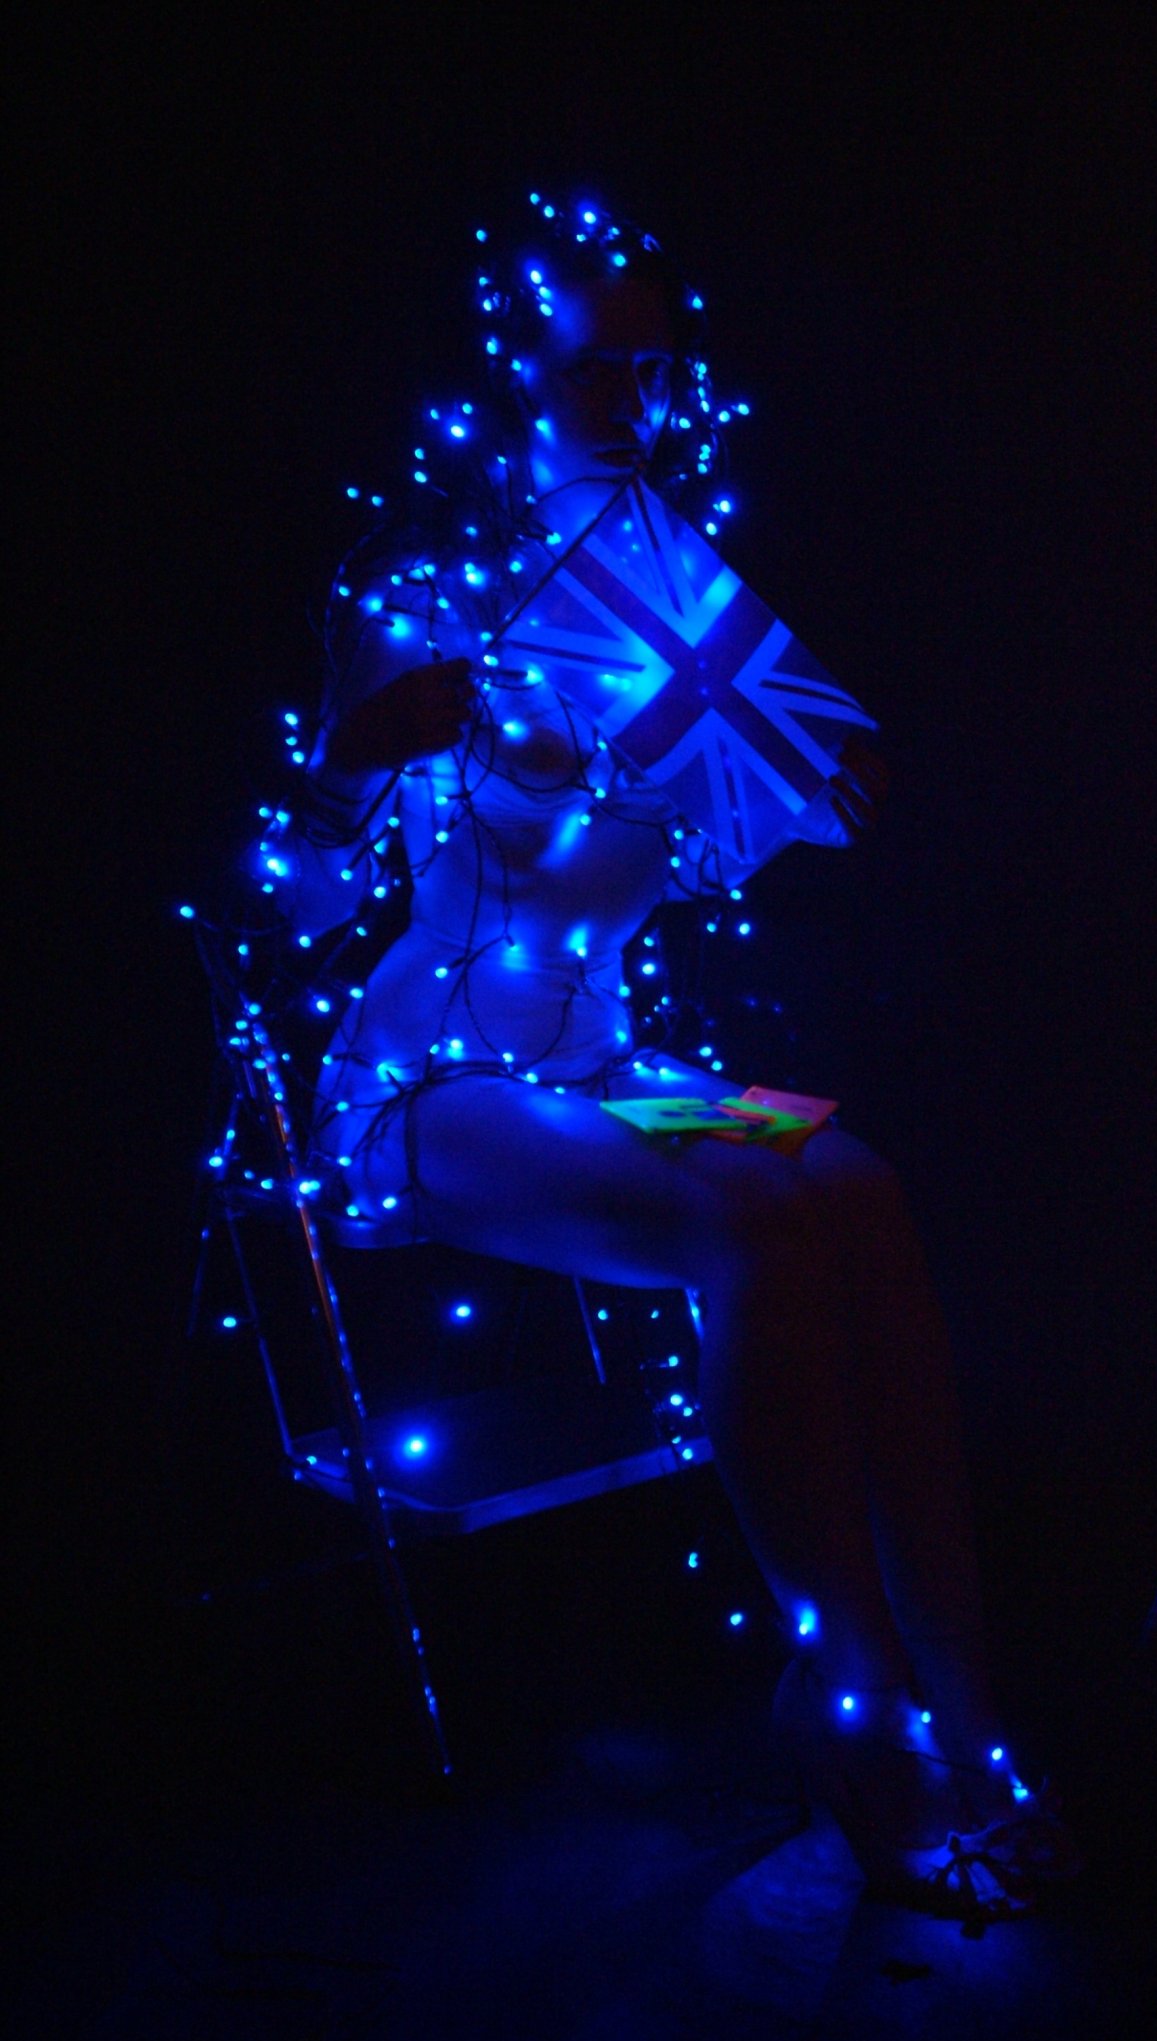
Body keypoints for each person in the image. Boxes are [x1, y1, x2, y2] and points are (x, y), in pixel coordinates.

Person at [263, 196, 1078, 1924]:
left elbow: (733, 832)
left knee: (859, 1188)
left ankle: (971, 1708)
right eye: (594, 368)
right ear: (514, 370)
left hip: (605, 1057)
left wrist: (799, 790)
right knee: (751, 1221)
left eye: (654, 365)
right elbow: (303, 912)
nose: (633, 396)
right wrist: (344, 762)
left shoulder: (675, 598)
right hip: (429, 1087)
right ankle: (848, 1699)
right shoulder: (422, 591)